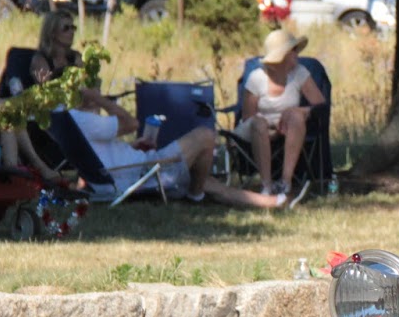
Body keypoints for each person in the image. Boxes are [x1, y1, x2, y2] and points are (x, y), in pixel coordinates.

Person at [70, 104, 286, 209]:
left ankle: (272, 202)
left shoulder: (73, 121)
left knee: (212, 186)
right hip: (143, 173)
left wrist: (134, 147)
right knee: (205, 136)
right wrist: (99, 99)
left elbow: (103, 152)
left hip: (138, 166)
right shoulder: (82, 120)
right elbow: (131, 123)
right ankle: (195, 194)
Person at [7, 10, 133, 183]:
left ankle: (105, 162)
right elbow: (47, 96)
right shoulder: (40, 60)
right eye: (66, 28)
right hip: (56, 117)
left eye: (73, 27)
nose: (72, 31)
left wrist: (88, 97)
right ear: (52, 32)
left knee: (93, 106)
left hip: (80, 109)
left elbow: (88, 88)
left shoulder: (76, 57)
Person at [239, 28, 326, 199]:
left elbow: (321, 106)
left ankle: (285, 183)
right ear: (283, 54)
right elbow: (247, 118)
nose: (297, 54)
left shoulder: (299, 73)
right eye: (293, 50)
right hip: (257, 131)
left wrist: (299, 110)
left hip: (288, 130)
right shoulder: (257, 78)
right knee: (258, 123)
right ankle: (266, 185)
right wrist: (268, 128)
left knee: (296, 117)